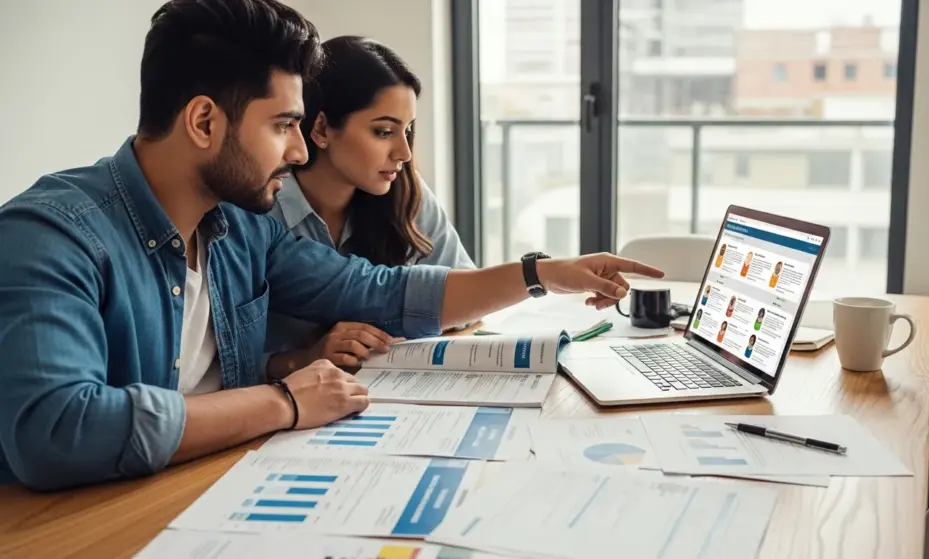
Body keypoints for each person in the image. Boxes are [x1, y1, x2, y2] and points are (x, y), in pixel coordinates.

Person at [0, 0, 662, 491]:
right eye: (284, 124)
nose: (297, 148)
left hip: (217, 483)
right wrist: (284, 400)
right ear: (204, 120)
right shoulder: (51, 236)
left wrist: (544, 273)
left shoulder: (237, 227)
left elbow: (380, 290)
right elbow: (55, 430)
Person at [263, 36, 473, 374]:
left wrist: (396, 332)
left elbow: (467, 297)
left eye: (408, 131)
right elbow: (222, 361)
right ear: (321, 128)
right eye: (384, 131)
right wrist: (301, 359)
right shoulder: (260, 207)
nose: (404, 153)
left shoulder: (405, 193)